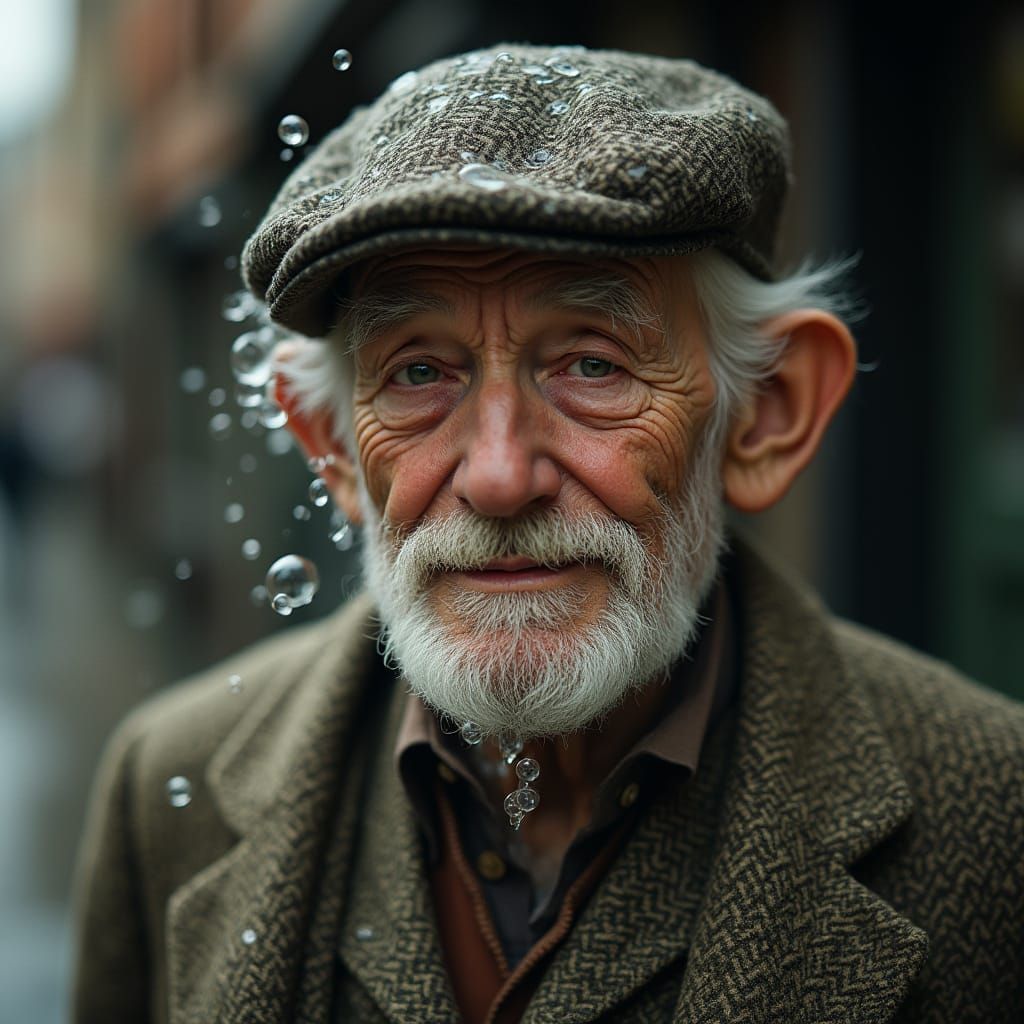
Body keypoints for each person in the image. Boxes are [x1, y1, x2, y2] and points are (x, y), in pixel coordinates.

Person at [72, 44, 1024, 1024]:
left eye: (592, 364)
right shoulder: (166, 785)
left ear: (765, 414)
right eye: (416, 374)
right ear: (334, 451)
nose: (496, 475)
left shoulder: (997, 821)